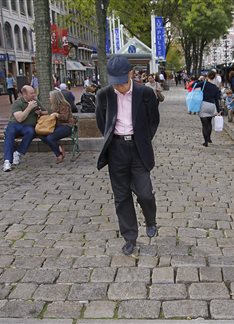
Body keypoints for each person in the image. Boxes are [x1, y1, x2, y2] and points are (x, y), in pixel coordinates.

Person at [95, 55, 160, 255]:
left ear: (131, 74)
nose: (119, 88)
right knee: (121, 197)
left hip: (138, 149)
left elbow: (153, 121)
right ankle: (130, 236)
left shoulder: (146, 93)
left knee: (145, 193)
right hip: (116, 150)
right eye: (115, 84)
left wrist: (141, 139)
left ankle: (151, 220)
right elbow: (101, 123)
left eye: (122, 83)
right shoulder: (104, 94)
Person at [2, 85, 47, 172]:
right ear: (24, 94)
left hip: (28, 127)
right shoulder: (17, 103)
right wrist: (29, 108)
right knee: (9, 134)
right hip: (15, 124)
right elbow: (20, 119)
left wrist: (40, 112)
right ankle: (7, 161)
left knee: (31, 132)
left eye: (34, 92)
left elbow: (46, 111)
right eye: (31, 93)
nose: (34, 95)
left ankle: (18, 153)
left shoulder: (36, 101)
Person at [39, 90, 75, 163]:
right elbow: (49, 113)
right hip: (56, 126)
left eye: (50, 97)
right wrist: (41, 113)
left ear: (55, 97)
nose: (49, 98)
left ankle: (59, 155)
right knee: (41, 135)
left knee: (50, 138)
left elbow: (65, 117)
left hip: (66, 126)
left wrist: (57, 115)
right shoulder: (54, 106)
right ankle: (59, 147)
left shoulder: (64, 105)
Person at [193, 70, 221, 146]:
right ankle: (209, 138)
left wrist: (199, 79)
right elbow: (216, 100)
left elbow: (193, 85)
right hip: (212, 106)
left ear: (207, 76)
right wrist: (218, 110)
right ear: (214, 77)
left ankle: (205, 142)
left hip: (203, 105)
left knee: (204, 125)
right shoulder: (215, 87)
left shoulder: (203, 83)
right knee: (209, 123)